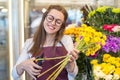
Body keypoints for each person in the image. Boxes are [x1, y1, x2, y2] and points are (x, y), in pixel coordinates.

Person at [12, 5, 79, 80]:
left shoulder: (66, 40)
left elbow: (74, 73)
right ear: (44, 18)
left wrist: (70, 64)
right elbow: (14, 74)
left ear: (62, 26)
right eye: (50, 18)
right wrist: (23, 65)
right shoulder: (30, 43)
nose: (53, 23)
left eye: (58, 22)